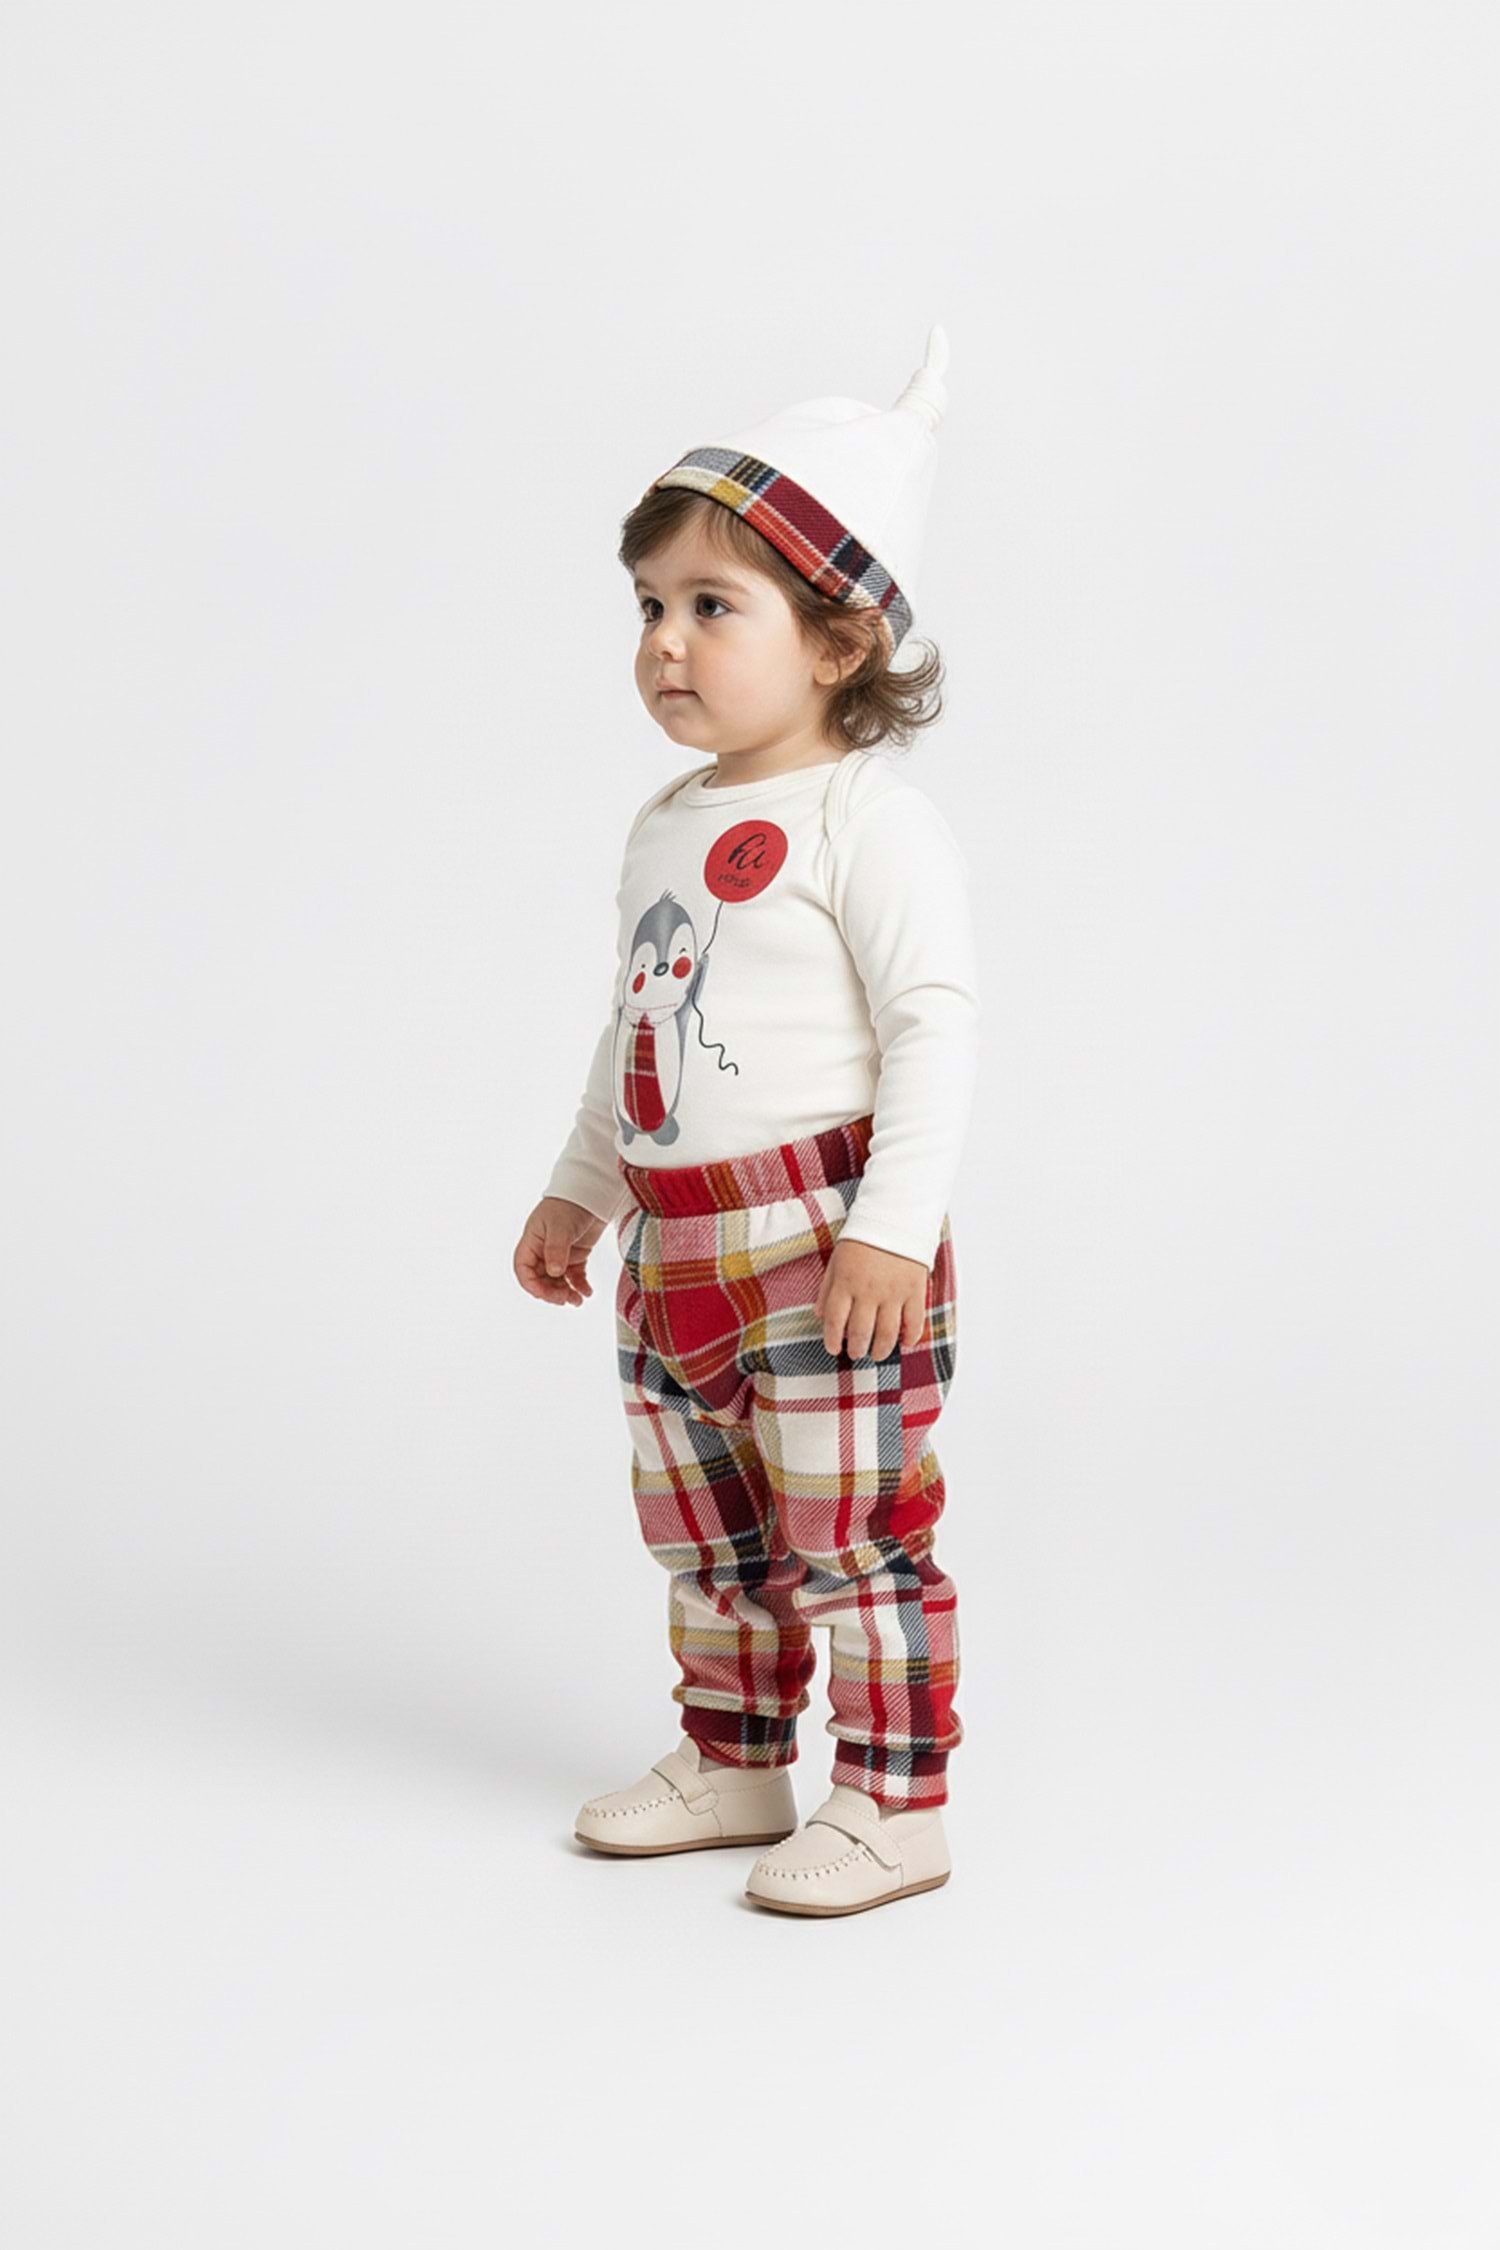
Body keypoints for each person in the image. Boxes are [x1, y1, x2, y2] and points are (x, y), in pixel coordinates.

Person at [513, 327, 982, 1917]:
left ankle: (896, 1801)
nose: (666, 642)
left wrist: (890, 1233)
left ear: (840, 640)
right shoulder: (664, 824)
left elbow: (933, 1030)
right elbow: (633, 1032)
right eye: (650, 607)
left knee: (853, 1534)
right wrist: (582, 1186)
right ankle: (735, 1757)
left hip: (821, 1249)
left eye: (713, 606)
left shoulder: (869, 818)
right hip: (675, 1255)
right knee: (707, 1532)